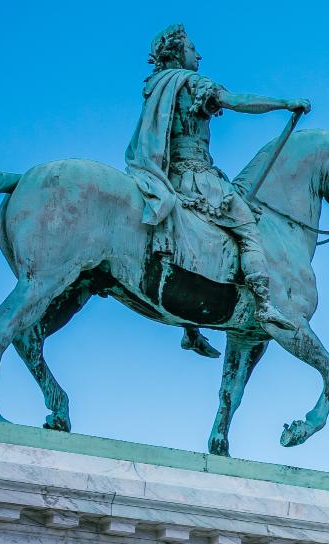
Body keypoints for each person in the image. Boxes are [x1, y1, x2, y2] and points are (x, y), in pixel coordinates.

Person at [126, 25, 308, 356]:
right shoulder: (192, 83)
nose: (199, 55)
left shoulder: (156, 88)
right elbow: (234, 100)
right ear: (179, 53)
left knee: (196, 239)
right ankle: (265, 304)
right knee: (248, 229)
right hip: (197, 177)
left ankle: (190, 328)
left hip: (168, 175)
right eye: (193, 48)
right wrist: (282, 103)